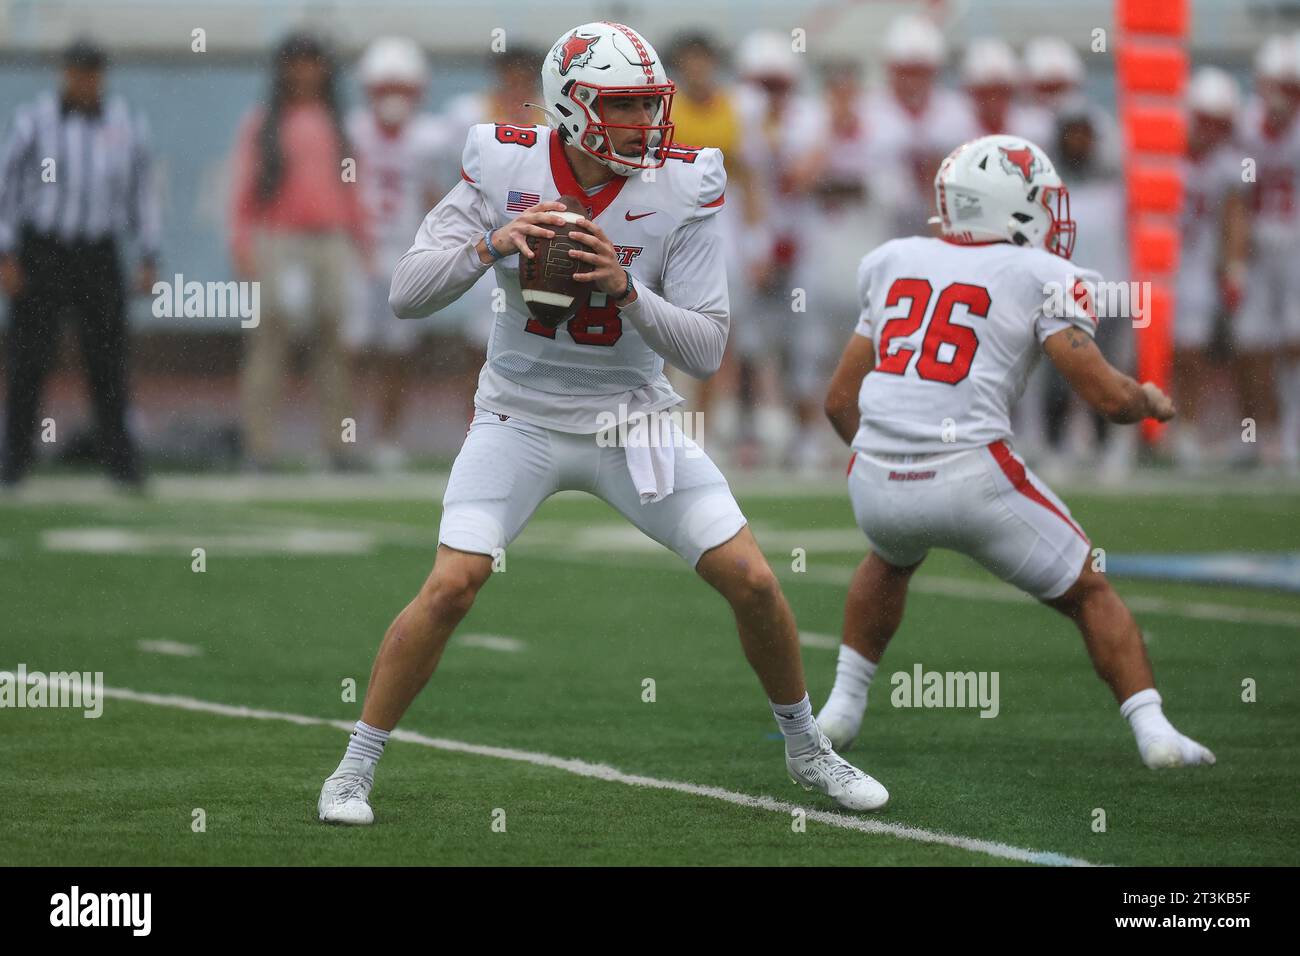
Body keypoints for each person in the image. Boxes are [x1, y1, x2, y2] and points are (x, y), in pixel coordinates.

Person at [316, 21, 889, 825]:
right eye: (624, 108)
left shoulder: (682, 185)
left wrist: (627, 290)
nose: (646, 126)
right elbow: (407, 293)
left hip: (635, 418)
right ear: (573, 107)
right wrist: (490, 245)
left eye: (649, 107)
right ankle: (352, 768)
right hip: (519, 414)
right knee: (452, 585)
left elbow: (706, 342)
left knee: (755, 581)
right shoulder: (503, 162)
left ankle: (806, 748)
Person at [815, 134, 1215, 771]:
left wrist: (891, 459)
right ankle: (1156, 732)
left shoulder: (892, 258)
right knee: (1087, 590)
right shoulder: (1041, 273)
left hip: (874, 476)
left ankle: (840, 707)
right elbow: (1104, 397)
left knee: (889, 558)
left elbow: (839, 401)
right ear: (1013, 208)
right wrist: (1148, 401)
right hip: (973, 475)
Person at [0, 37, 158, 490]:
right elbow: (7, 187)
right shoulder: (34, 122)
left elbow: (142, 194)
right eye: (77, 71)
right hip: (44, 250)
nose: (85, 81)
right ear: (64, 73)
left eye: (92, 72)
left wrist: (148, 252)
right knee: (29, 358)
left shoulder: (127, 125)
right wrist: (6, 252)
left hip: (98, 252)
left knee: (108, 360)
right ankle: (14, 460)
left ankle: (121, 464)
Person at [228, 32, 371, 471]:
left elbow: (352, 191)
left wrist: (362, 245)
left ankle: (338, 446)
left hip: (329, 241)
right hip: (278, 240)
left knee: (332, 345)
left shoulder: (338, 123)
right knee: (270, 342)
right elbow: (243, 191)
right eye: (297, 63)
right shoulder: (263, 124)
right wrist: (242, 244)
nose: (305, 72)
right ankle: (260, 447)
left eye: (313, 62)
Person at [345, 37, 448, 471]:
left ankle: (387, 439)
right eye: (385, 87)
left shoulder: (432, 138)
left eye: (401, 88)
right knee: (347, 349)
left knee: (398, 352)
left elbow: (437, 197)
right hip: (358, 251)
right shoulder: (352, 130)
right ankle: (341, 439)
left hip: (407, 253)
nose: (392, 98)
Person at [1171, 67, 1249, 470]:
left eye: (1219, 123)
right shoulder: (1159, 152)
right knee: (1139, 353)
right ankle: (1134, 432)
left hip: (1195, 267)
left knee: (1191, 354)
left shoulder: (1227, 164)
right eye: (1206, 120)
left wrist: (1234, 269)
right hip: (1151, 266)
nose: (1210, 130)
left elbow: (1233, 218)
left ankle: (1184, 429)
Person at [1235, 36, 1300, 471]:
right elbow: (1235, 197)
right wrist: (1234, 258)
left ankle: (1292, 431)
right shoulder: (1245, 126)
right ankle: (1264, 435)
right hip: (1260, 246)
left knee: (1295, 338)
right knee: (1252, 341)